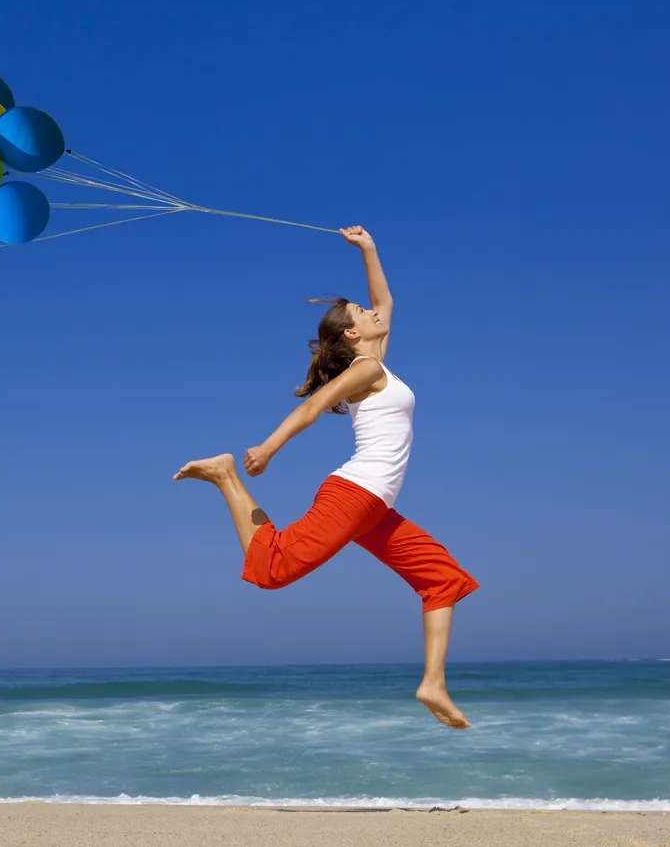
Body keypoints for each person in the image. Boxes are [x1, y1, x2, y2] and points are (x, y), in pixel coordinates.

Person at [173, 226, 480, 729]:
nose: (373, 312)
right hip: (354, 494)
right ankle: (226, 475)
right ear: (354, 335)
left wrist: (368, 249)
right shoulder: (366, 368)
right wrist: (268, 448)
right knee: (272, 570)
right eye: (361, 312)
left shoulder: (377, 361)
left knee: (443, 578)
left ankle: (433, 684)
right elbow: (313, 406)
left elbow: (385, 301)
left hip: (375, 508)